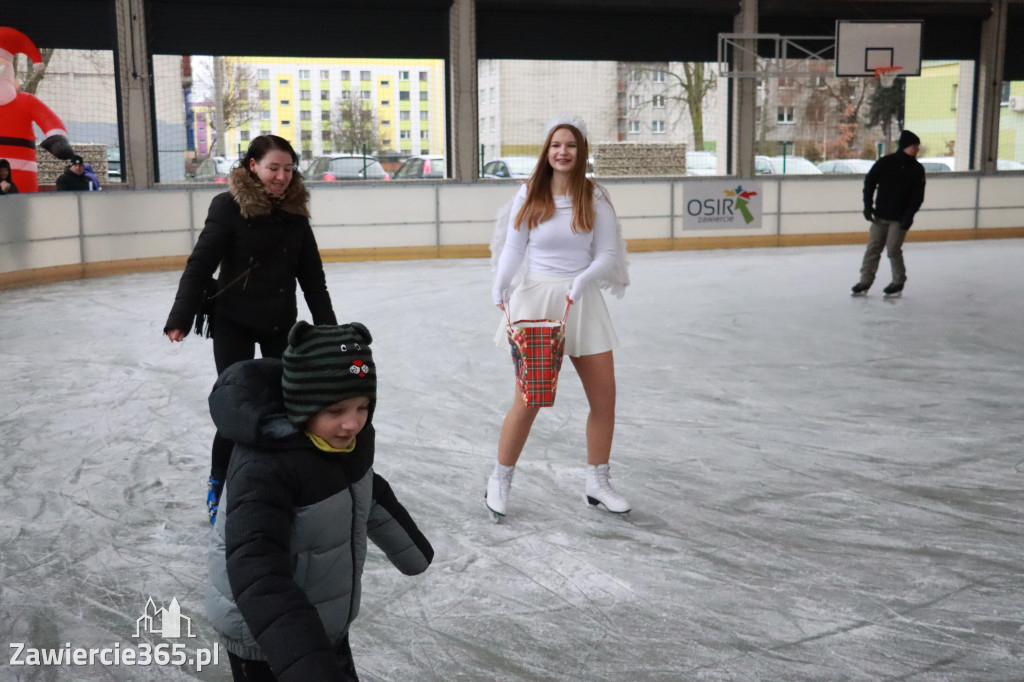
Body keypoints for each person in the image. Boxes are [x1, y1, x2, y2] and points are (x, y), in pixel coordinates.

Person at [206, 320, 434, 682]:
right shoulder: (265, 468)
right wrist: (309, 663)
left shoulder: (342, 442)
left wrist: (412, 552)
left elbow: (365, 490)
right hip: (265, 632)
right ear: (302, 405)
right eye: (336, 411)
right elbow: (256, 570)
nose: (352, 423)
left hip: (322, 620)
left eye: (362, 407)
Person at [164, 134, 336, 525]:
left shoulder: (295, 214)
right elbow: (200, 264)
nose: (281, 177)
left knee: (285, 406)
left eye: (288, 170)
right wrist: (181, 317)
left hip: (279, 323)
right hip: (234, 323)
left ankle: (283, 484)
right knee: (236, 407)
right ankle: (218, 481)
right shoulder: (228, 207)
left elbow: (313, 279)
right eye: (273, 168)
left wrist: (330, 334)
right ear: (252, 166)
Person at [487, 113, 630, 519]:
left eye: (569, 145)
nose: (562, 152)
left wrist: (585, 278)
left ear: (580, 150)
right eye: (555, 145)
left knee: (605, 399)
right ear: (546, 151)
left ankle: (597, 483)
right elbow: (515, 246)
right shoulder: (530, 193)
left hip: (581, 300)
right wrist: (501, 282)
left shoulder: (595, 197)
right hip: (535, 302)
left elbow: (607, 253)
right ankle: (500, 478)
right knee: (528, 400)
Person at [852, 129, 926, 297]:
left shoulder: (917, 169)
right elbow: (869, 182)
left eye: (917, 145)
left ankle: (898, 281)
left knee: (893, 249)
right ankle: (865, 281)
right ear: (906, 146)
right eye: (915, 145)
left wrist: (909, 214)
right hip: (880, 216)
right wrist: (868, 206)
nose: (917, 148)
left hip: (900, 219)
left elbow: (917, 196)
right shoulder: (886, 163)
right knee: (873, 248)